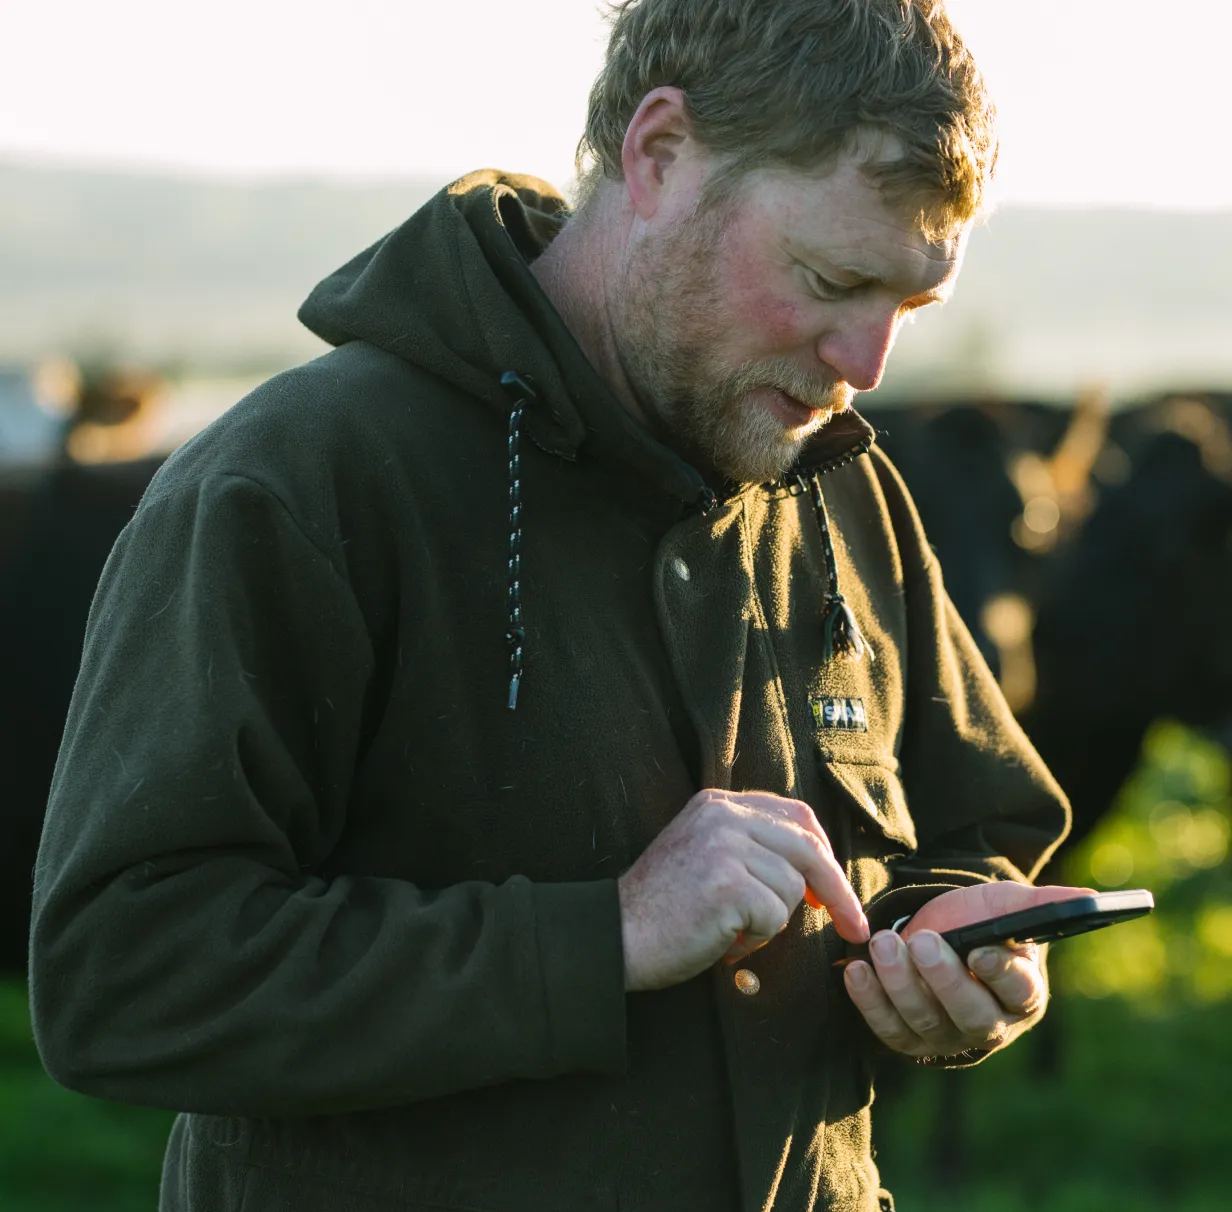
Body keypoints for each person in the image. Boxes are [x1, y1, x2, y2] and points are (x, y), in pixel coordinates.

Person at [29, 2, 1080, 1209]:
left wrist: (950, 971)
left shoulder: (837, 484)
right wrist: (602, 937)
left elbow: (974, 837)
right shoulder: (300, 482)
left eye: (911, 303)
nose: (866, 361)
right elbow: (122, 978)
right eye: (832, 277)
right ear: (659, 155)